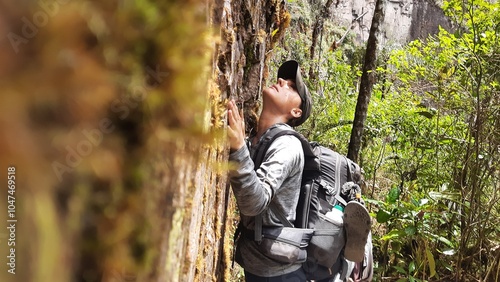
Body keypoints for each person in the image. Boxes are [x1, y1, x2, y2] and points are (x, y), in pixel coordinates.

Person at [227, 60, 312, 281]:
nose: (281, 81)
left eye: (292, 87)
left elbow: (254, 203)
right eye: (283, 79)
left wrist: (237, 148)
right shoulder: (258, 140)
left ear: (296, 111)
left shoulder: (287, 146)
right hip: (260, 265)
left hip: (280, 274)